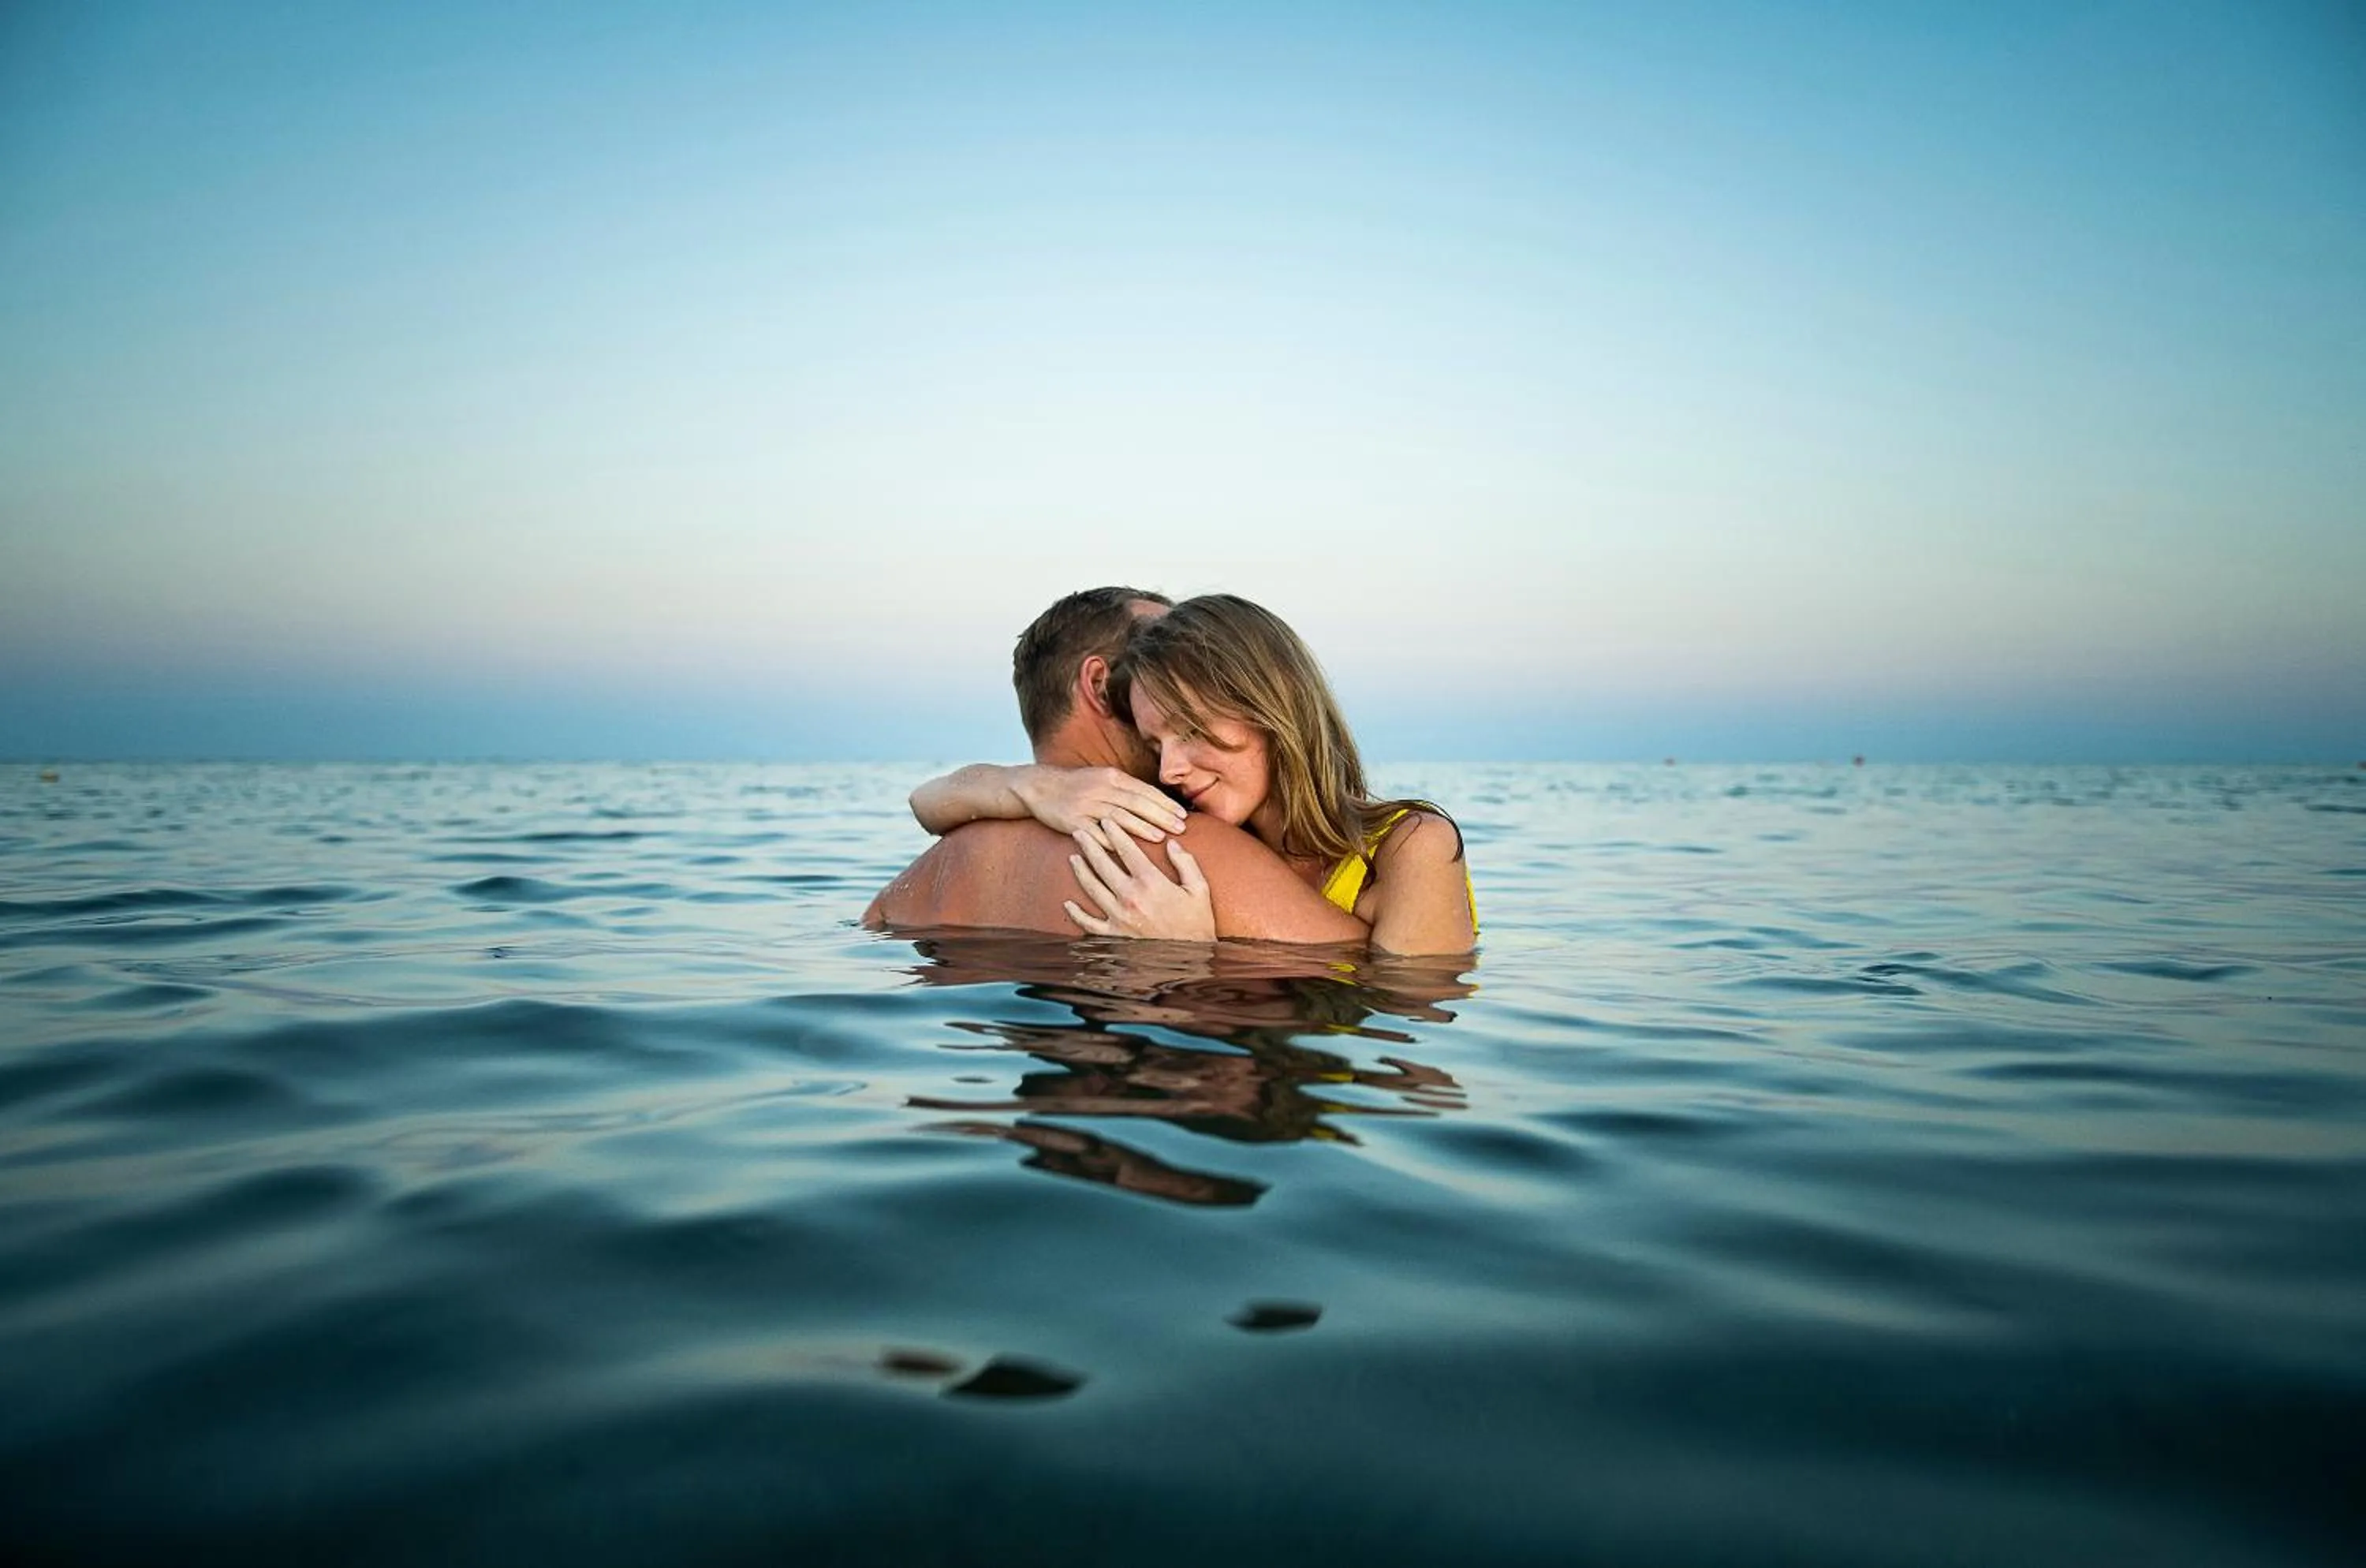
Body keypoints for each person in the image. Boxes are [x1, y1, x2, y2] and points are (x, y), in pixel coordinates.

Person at [906, 593, 1477, 956]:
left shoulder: (1411, 844)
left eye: (1191, 729)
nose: (1170, 767)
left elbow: (1411, 1020)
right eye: (1155, 741)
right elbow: (929, 801)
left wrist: (1198, 953)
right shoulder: (1196, 832)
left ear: (1270, 707)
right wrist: (1030, 785)